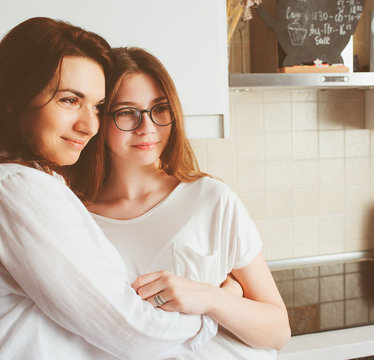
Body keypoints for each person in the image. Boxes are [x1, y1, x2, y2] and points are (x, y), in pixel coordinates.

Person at [0, 17, 217, 360]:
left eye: (98, 107)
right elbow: (130, 330)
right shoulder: (14, 190)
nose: (89, 126)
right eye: (70, 100)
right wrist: (213, 309)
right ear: (14, 97)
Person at [80, 47, 291, 359]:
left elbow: (278, 332)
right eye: (126, 112)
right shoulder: (78, 218)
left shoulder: (211, 199)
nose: (147, 126)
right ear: (99, 117)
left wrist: (210, 298)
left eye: (160, 109)